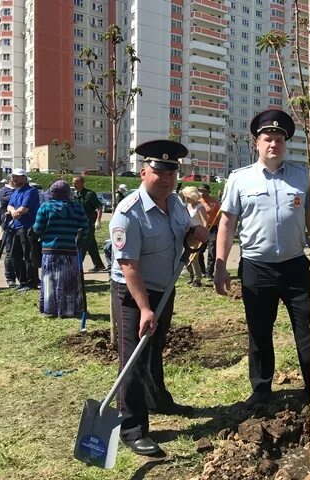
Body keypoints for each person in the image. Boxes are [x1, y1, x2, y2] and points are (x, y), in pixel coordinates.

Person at [214, 109, 310, 409]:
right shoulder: (240, 179)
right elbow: (226, 224)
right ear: (256, 144)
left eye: (279, 140)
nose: (273, 144)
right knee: (259, 331)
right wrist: (220, 266)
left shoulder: (302, 178)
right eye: (267, 139)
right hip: (256, 267)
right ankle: (261, 389)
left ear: (285, 145)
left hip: (295, 266)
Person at [109, 140, 209, 457]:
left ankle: (159, 399)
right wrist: (143, 309)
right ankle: (132, 429)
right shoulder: (128, 213)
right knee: (134, 360)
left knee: (155, 350)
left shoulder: (175, 203)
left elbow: (183, 233)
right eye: (158, 173)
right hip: (133, 293)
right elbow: (128, 266)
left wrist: (194, 234)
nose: (165, 179)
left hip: (165, 289)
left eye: (171, 173)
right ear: (144, 172)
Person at [33, 180, 89, 317]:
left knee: (49, 280)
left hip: (50, 250)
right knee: (69, 281)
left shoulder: (45, 207)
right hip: (71, 250)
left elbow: (37, 229)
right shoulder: (77, 208)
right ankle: (69, 310)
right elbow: (85, 229)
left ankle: (49, 310)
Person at [7, 168, 40, 291]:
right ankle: (22, 281)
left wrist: (16, 212)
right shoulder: (16, 192)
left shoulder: (31, 191)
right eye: (13, 176)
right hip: (16, 227)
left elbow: (24, 209)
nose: (14, 179)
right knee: (15, 255)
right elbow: (10, 206)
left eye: (17, 176)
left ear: (24, 178)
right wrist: (13, 211)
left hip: (27, 227)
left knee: (28, 256)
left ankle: (32, 282)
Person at [72, 175, 106, 272]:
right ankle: (99, 265)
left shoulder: (89, 194)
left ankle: (77, 268)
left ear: (82, 183)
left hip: (89, 224)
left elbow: (99, 207)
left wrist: (98, 221)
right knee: (91, 245)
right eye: (73, 182)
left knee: (82, 244)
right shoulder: (76, 195)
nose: (74, 185)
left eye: (76, 182)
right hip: (80, 223)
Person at [180, 186, 208, 287]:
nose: (185, 198)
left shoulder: (200, 207)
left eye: (186, 196)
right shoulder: (187, 206)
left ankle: (197, 279)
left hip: (197, 235)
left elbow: (205, 222)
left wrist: (203, 236)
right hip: (189, 235)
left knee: (194, 258)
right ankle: (192, 275)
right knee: (186, 258)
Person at [197, 184, 221, 281]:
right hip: (201, 229)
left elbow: (218, 216)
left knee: (212, 251)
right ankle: (202, 271)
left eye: (203, 191)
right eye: (200, 191)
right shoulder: (198, 202)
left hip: (213, 229)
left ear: (208, 191)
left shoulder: (214, 201)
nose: (201, 193)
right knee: (199, 252)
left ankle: (209, 273)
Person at [0, 175, 18, 287]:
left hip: (20, 225)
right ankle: (10, 278)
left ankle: (23, 277)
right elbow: (14, 201)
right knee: (10, 252)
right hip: (9, 226)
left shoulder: (19, 191)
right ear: (11, 180)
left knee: (21, 253)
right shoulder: (4, 191)